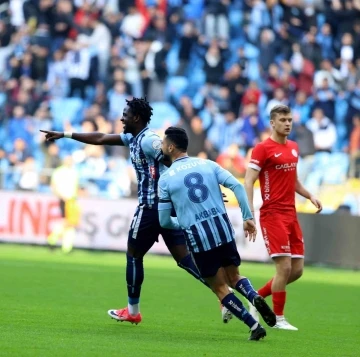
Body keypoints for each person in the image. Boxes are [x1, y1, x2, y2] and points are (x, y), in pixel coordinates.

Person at [40, 97, 232, 324]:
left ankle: (132, 312)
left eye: (125, 114)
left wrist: (206, 188)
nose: (121, 117)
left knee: (133, 255)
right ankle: (224, 294)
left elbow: (176, 161)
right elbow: (100, 138)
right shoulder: (134, 137)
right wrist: (65, 134)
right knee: (185, 260)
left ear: (136, 118)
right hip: (167, 208)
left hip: (151, 208)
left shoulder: (148, 141)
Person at [158, 126, 276, 341]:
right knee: (235, 276)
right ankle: (253, 295)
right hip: (223, 229)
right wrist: (248, 217)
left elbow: (164, 221)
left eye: (163, 143)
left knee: (220, 287)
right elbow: (238, 187)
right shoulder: (208, 164)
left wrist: (183, 223)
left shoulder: (165, 179)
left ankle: (254, 326)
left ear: (171, 146)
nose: (161, 146)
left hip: (198, 237)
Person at [244, 104, 323, 330]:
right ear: (272, 123)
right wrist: (248, 213)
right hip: (272, 214)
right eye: (283, 120)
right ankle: (278, 319)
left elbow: (294, 180)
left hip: (291, 214)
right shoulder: (262, 149)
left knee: (297, 270)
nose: (288, 123)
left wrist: (310, 195)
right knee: (285, 267)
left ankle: (256, 298)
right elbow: (249, 180)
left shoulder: (294, 148)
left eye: (289, 120)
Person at [47, 155, 81, 254]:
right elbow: (53, 186)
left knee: (70, 223)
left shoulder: (74, 172)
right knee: (67, 222)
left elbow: (76, 187)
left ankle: (65, 246)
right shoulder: (59, 171)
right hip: (64, 199)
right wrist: (61, 196)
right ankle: (53, 240)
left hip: (72, 200)